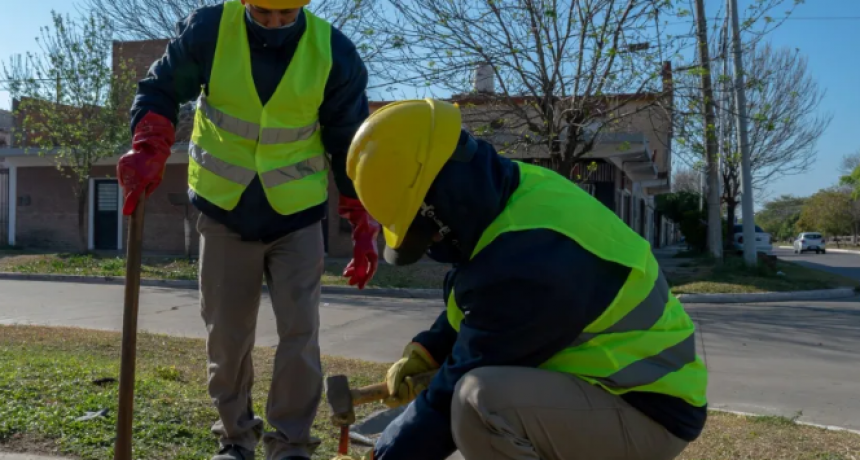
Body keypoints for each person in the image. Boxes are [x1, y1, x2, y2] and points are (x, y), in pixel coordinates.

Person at [338, 99, 709, 460]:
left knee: (478, 402)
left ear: (443, 201)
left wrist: (384, 455)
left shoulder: (528, 262)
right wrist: (429, 350)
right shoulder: (516, 195)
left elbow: (449, 394)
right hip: (617, 390)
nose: (434, 245)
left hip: (646, 411)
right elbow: (474, 306)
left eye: (429, 233)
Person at [116, 1, 380, 459]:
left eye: (286, 13)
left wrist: (361, 216)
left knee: (300, 334)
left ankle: (291, 444)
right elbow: (160, 88)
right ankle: (235, 439)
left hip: (297, 215)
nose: (274, 23)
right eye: (262, 12)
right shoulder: (208, 31)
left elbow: (347, 139)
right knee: (227, 335)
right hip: (224, 210)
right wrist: (150, 143)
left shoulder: (333, 51)